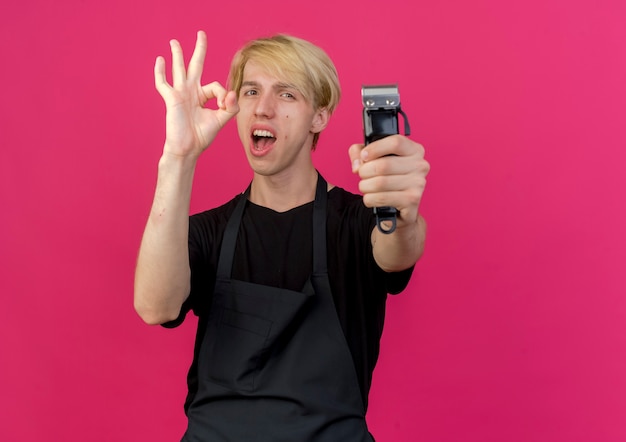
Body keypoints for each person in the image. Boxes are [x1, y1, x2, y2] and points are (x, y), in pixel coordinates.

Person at [134, 30, 430, 442]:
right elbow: (155, 307)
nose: (264, 108)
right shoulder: (207, 232)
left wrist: (400, 209)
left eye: (287, 94)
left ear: (319, 116)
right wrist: (178, 157)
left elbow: (398, 250)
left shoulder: (360, 223)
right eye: (252, 91)